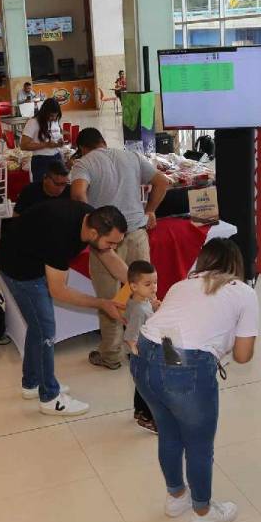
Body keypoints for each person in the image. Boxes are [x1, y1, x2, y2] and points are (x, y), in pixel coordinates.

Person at [133, 238, 257, 522]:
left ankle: (177, 497)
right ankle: (203, 511)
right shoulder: (243, 293)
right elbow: (242, 356)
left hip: (145, 356)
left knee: (169, 431)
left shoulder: (180, 285)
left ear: (202, 262)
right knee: (199, 445)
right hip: (185, 365)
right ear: (235, 265)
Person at [0, 199, 129, 415]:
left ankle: (32, 383)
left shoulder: (92, 218)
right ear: (94, 234)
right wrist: (102, 304)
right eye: (111, 242)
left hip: (31, 254)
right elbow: (59, 291)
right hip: (18, 269)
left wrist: (136, 285)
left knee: (39, 327)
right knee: (46, 329)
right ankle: (50, 397)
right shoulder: (61, 235)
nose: (114, 248)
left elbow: (110, 258)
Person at [71, 128, 169, 371]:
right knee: (142, 295)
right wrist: (150, 210)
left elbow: (77, 192)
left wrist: (91, 222)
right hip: (136, 233)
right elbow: (162, 181)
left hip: (106, 241)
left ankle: (111, 354)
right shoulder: (130, 156)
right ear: (103, 141)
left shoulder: (84, 162)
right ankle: (145, 348)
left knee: (109, 298)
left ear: (83, 148)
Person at [123, 260, 160, 434]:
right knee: (149, 386)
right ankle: (147, 417)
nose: (153, 287)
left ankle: (139, 411)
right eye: (148, 284)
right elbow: (130, 336)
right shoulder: (138, 309)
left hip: (142, 351)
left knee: (141, 385)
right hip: (141, 353)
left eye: (155, 282)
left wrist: (153, 308)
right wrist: (139, 355)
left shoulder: (140, 301)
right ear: (134, 286)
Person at [20, 98, 65, 184]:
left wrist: (60, 142)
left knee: (57, 188)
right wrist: (45, 145)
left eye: (56, 116)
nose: (53, 118)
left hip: (57, 157)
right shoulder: (33, 122)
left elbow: (56, 136)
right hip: (41, 161)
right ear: (44, 112)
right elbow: (23, 145)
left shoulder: (55, 121)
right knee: (42, 189)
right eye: (51, 116)